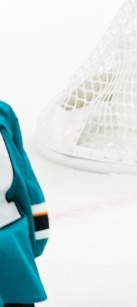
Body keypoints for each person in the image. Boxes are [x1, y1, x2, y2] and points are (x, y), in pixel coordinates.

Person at [0, 99, 50, 306]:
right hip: (11, 242)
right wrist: (37, 238)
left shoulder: (4, 113)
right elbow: (28, 184)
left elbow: (27, 181)